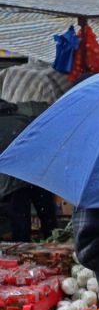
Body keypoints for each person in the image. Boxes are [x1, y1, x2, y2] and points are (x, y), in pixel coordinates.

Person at [0, 99, 58, 241]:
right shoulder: (22, 118)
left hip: (13, 181)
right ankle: (56, 244)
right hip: (38, 175)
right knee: (50, 223)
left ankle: (24, 253)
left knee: (20, 229)